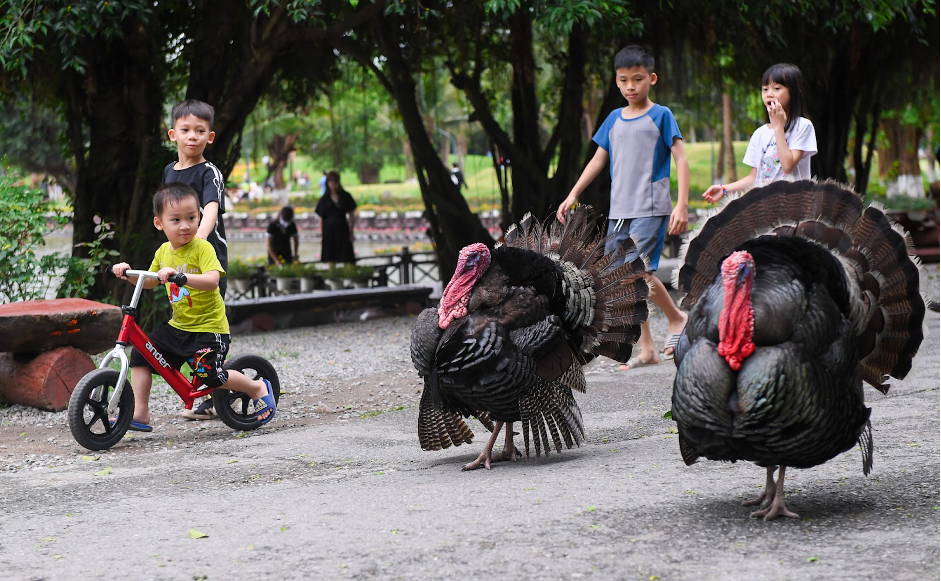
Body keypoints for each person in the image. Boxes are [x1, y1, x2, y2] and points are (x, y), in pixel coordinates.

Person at [556, 45, 689, 371]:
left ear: (652, 78)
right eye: (624, 80)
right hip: (620, 212)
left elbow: (681, 159)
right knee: (622, 280)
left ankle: (676, 318)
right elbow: (598, 159)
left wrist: (682, 204)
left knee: (637, 273)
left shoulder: (662, 115)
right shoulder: (613, 119)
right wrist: (573, 193)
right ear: (616, 82)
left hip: (651, 207)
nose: (631, 86)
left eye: (638, 79)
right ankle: (647, 349)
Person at [111, 183, 276, 432]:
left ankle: (256, 388)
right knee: (141, 354)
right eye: (176, 220)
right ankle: (140, 413)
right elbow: (150, 281)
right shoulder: (164, 251)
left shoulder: (202, 248)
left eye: (191, 218)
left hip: (209, 329)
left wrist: (181, 277)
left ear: (199, 217)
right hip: (179, 326)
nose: (185, 225)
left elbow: (212, 281)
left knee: (209, 374)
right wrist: (127, 273)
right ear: (159, 224)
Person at [162, 99, 229, 421]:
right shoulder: (168, 172)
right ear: (172, 134)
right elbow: (167, 213)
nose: (192, 137)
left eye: (199, 131)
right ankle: (202, 388)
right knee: (185, 321)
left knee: (208, 330)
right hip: (178, 263)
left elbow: (211, 208)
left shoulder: (209, 172)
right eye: (186, 130)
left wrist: (197, 242)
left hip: (205, 260)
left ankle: (217, 396)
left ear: (210, 137)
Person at [703, 63, 817, 203]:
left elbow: (787, 166)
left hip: (794, 207)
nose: (769, 94)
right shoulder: (759, 134)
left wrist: (778, 127)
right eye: (765, 89)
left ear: (793, 92)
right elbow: (754, 178)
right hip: (765, 209)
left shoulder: (803, 126)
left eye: (777, 88)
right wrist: (724, 189)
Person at [316, 171, 357, 264]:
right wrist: (322, 234)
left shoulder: (345, 196)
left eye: (335, 181)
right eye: (331, 181)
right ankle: (333, 275)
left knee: (346, 255)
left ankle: (348, 274)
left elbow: (351, 214)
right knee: (330, 255)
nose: (333, 183)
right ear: (327, 183)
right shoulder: (324, 199)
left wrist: (352, 231)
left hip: (342, 227)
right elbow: (321, 218)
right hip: (329, 230)